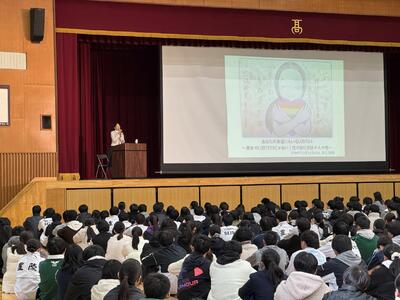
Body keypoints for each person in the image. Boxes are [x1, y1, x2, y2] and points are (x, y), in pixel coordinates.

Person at [177, 234, 212, 300]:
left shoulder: (186, 260)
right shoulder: (208, 264)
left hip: (181, 296)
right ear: (208, 249)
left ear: (192, 247)